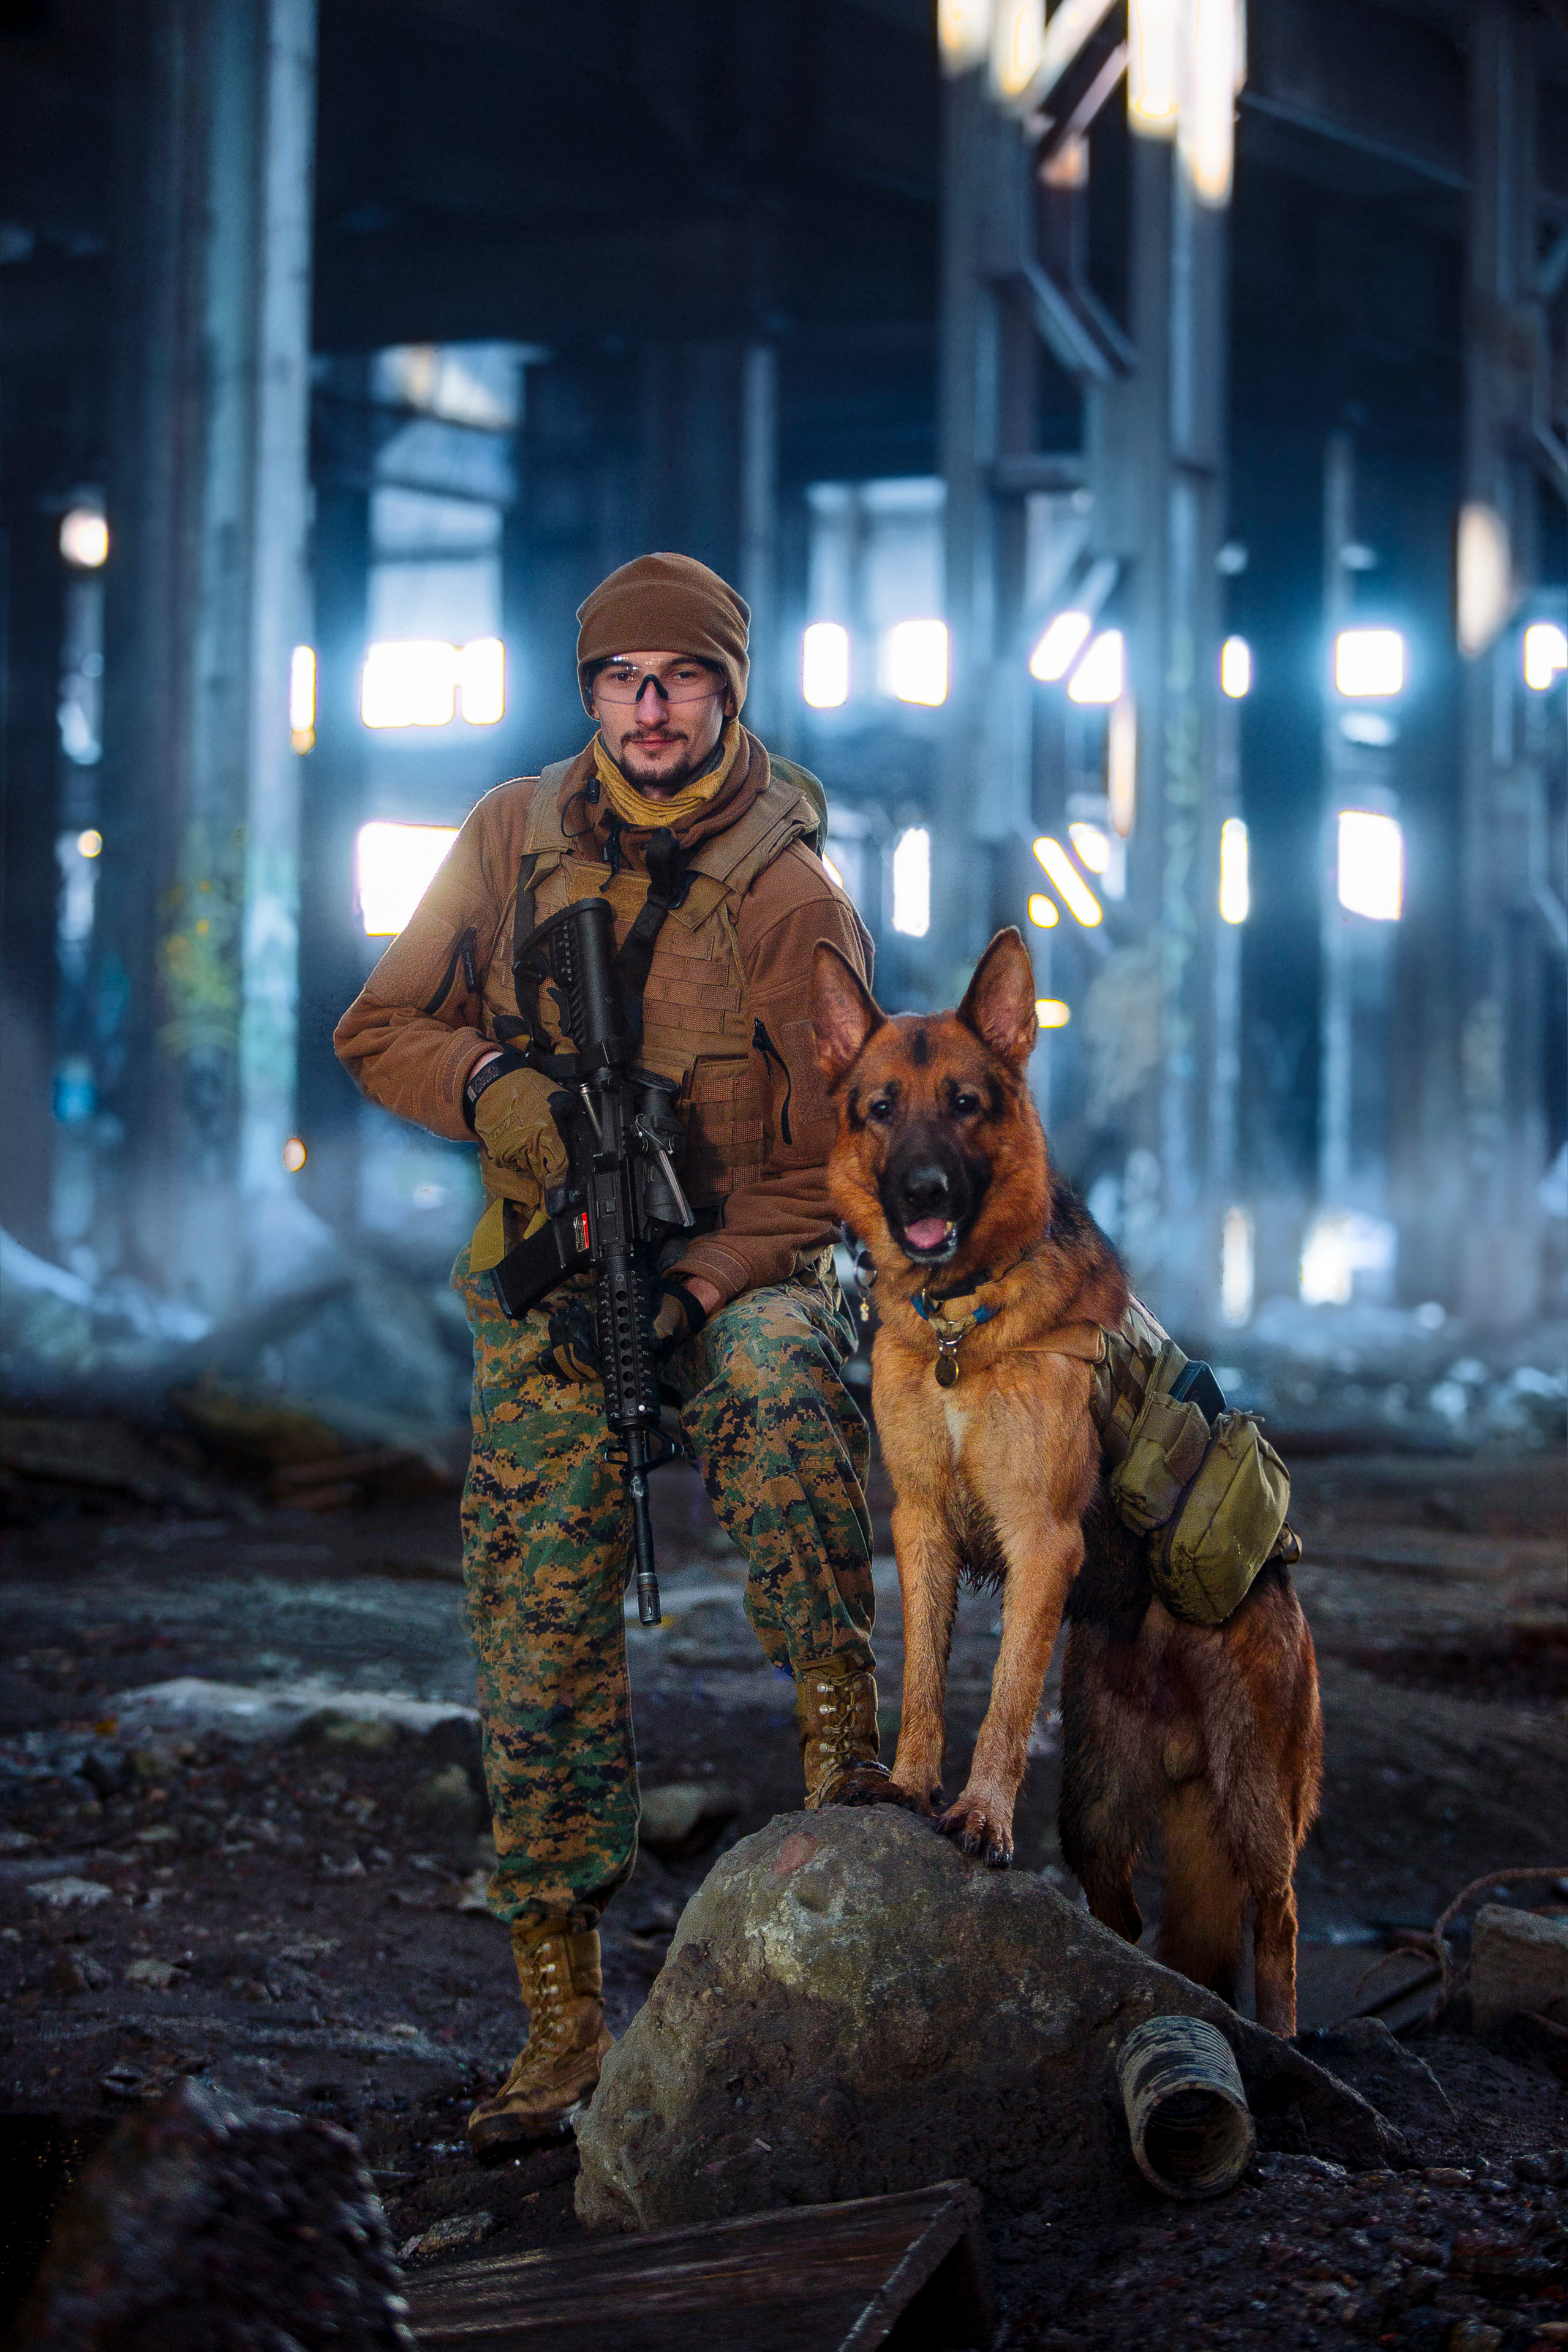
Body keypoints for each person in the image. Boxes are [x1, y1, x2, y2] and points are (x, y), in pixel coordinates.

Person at [334, 552, 899, 2162]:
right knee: (536, 1602)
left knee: (793, 1382)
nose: (651, 708)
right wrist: (505, 1092)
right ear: (590, 695)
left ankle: (846, 1777)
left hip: (729, 1285)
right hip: (547, 1280)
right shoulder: (508, 838)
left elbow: (839, 1154)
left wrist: (708, 1276)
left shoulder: (792, 895)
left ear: (729, 694)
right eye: (621, 680)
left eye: (683, 678)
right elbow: (378, 1030)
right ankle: (563, 2018)